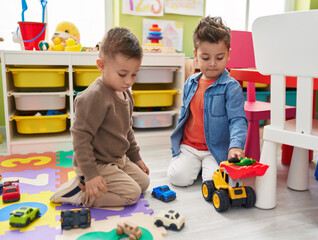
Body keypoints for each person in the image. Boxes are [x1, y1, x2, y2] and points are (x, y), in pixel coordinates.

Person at [50, 27, 150, 207]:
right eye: (122, 74)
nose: (129, 81)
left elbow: (127, 130)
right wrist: (91, 175)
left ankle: (101, 183)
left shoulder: (125, 92)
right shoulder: (93, 97)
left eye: (134, 74)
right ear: (101, 65)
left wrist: (136, 158)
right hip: (95, 163)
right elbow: (80, 139)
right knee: (132, 194)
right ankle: (81, 194)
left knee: (144, 183)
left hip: (117, 159)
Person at [168, 16, 248, 187]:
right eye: (205, 58)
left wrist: (235, 146)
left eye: (219, 58)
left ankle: (204, 168)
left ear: (228, 55)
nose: (213, 64)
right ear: (196, 55)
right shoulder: (191, 82)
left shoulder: (231, 87)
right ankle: (193, 166)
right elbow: (185, 114)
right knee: (178, 178)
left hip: (216, 149)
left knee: (217, 184)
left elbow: (237, 120)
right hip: (190, 146)